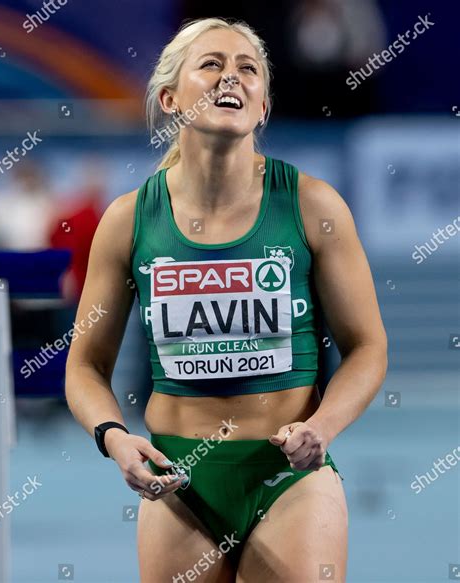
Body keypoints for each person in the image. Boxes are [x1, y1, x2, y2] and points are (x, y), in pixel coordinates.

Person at [65, 17, 388, 583]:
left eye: (248, 69)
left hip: (287, 476)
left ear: (263, 106)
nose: (230, 78)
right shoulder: (128, 221)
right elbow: (85, 366)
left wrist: (326, 426)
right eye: (211, 64)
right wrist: (113, 437)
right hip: (178, 481)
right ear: (169, 98)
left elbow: (367, 347)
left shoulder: (313, 206)